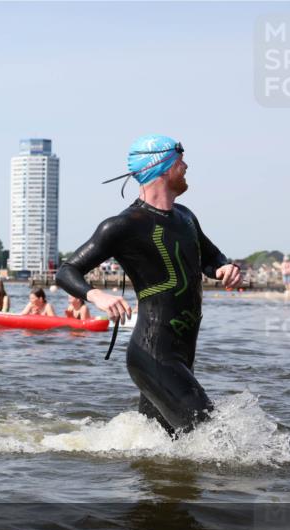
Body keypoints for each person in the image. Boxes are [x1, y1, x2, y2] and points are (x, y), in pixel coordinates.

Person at [57, 134, 241, 435]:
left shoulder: (186, 217)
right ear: (162, 166)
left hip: (182, 355)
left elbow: (210, 256)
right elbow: (67, 270)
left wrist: (224, 268)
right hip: (151, 356)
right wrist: (96, 295)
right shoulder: (123, 225)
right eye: (180, 160)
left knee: (164, 449)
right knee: (210, 434)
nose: (185, 165)